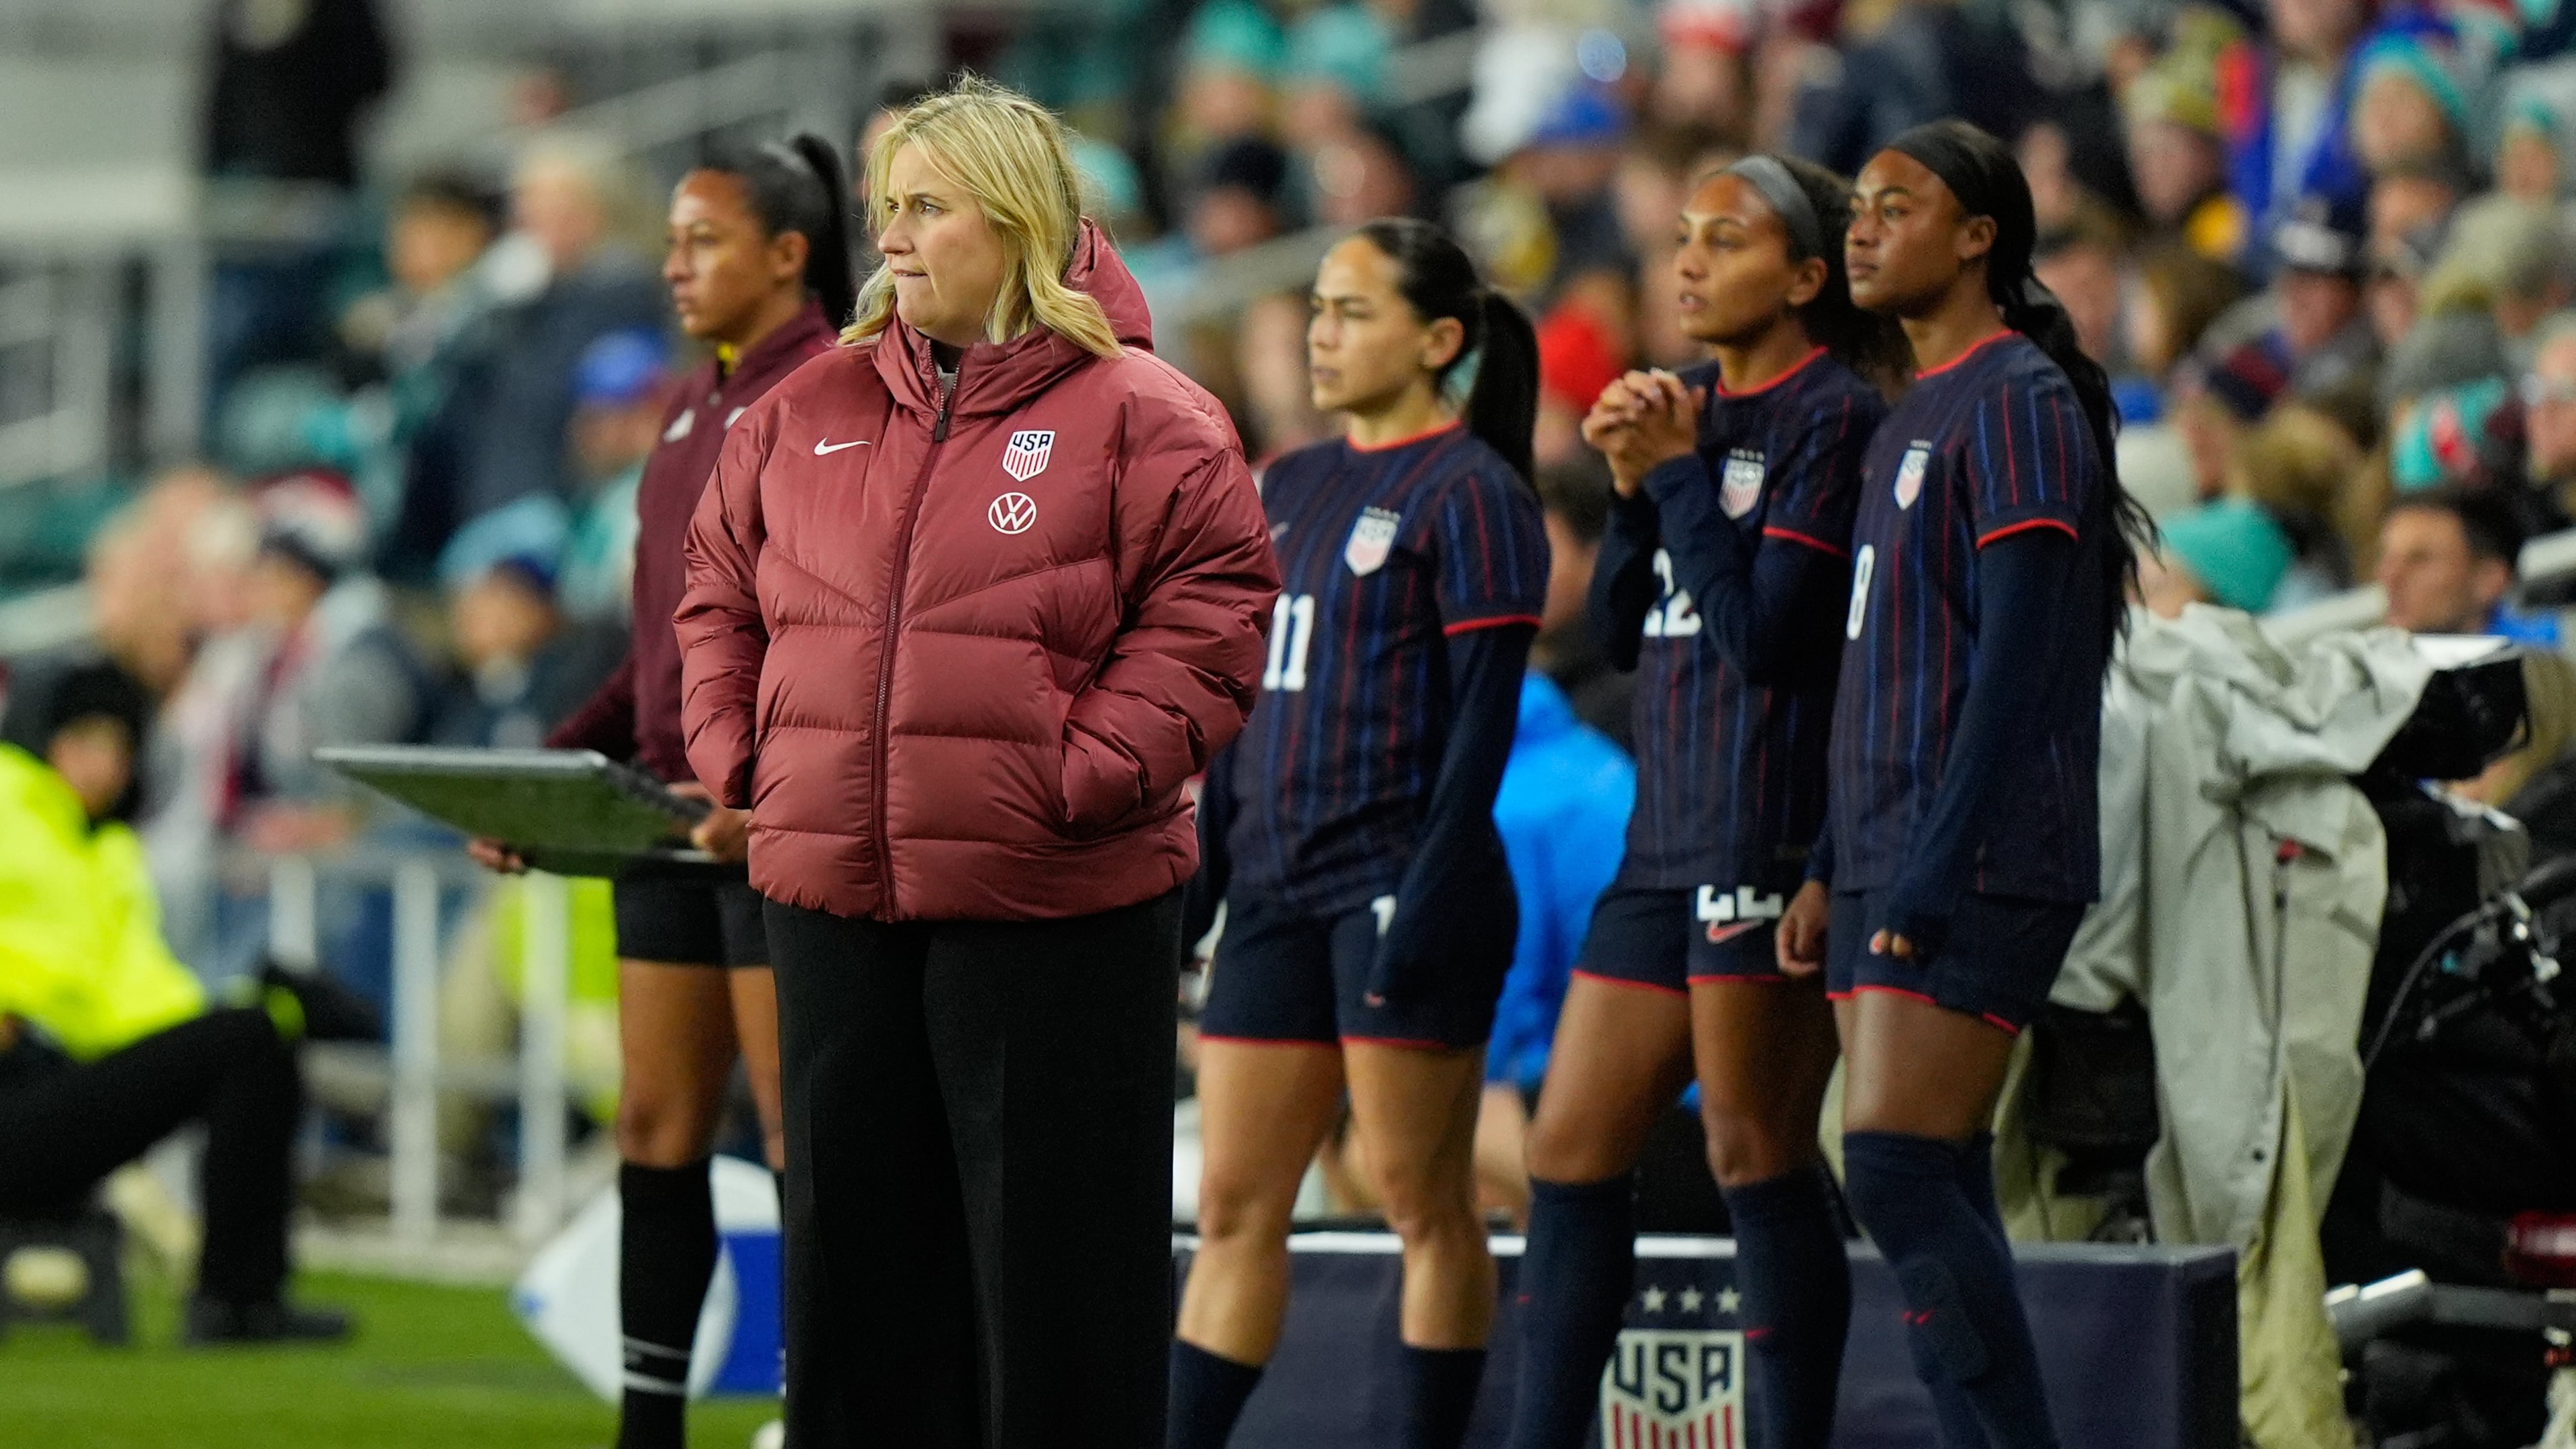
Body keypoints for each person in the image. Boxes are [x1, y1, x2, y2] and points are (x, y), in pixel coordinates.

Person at [676, 78, 1277, 1448]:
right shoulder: (800, 405)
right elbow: (715, 586)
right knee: (854, 1284)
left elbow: (1217, 612)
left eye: (926, 208)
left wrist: (1073, 775)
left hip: (1053, 903)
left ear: (1013, 223)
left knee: (1054, 1291)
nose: (891, 237)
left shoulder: (1151, 414)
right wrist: (743, 755)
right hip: (831, 897)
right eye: (887, 207)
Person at [1502, 153, 1894, 1449]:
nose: (1685, 260)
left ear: (1804, 274)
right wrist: (1628, 487)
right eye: (1681, 235)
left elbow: (1770, 638)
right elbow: (1619, 630)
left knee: (1751, 1156)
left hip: (1765, 826)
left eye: (1724, 240)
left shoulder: (1833, 416)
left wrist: (1673, 474)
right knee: (1567, 1150)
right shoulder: (1690, 411)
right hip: (1659, 838)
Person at [476, 133, 854, 1449]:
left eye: (706, 240)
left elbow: (836, 634)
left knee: (804, 1139)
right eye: (674, 240)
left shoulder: (834, 396)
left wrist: (771, 785)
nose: (675, 265)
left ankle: (826, 1411)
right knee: (657, 1125)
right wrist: (547, 779)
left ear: (789, 255)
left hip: (774, 827)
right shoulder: (690, 410)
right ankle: (651, 1428)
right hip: (663, 824)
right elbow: (655, 656)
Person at [1790, 119, 2148, 1446]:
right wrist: (1836, 859)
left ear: (1982, 236)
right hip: (1887, 837)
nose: (1864, 227)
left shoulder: (2020, 400)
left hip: (1983, 849)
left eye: (1899, 204)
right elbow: (1883, 659)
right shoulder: (1912, 415)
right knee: (1927, 1166)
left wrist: (1936, 863)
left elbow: (2022, 667)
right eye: (1857, 208)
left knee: (1888, 1159)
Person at [1171, 217, 1545, 1449]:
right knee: (1234, 1205)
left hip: (1401, 886)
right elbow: (1236, 706)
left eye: (1353, 311)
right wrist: (1202, 886)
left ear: (1441, 340)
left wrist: (1428, 900)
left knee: (1421, 1200)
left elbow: (1482, 734)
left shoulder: (1477, 494)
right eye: (1317, 310)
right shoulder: (1288, 481)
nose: (1321, 334)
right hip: (1277, 886)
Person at [0, 660, 357, 1344]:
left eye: (118, 748)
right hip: (14, 1080)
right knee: (252, 1038)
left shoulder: (104, 849)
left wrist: (261, 1008)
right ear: (43, 738)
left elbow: (141, 1002)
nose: (103, 765)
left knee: (257, 1041)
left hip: (61, 1082)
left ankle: (240, 1300)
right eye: (85, 743)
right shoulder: (8, 801)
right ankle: (234, 1298)